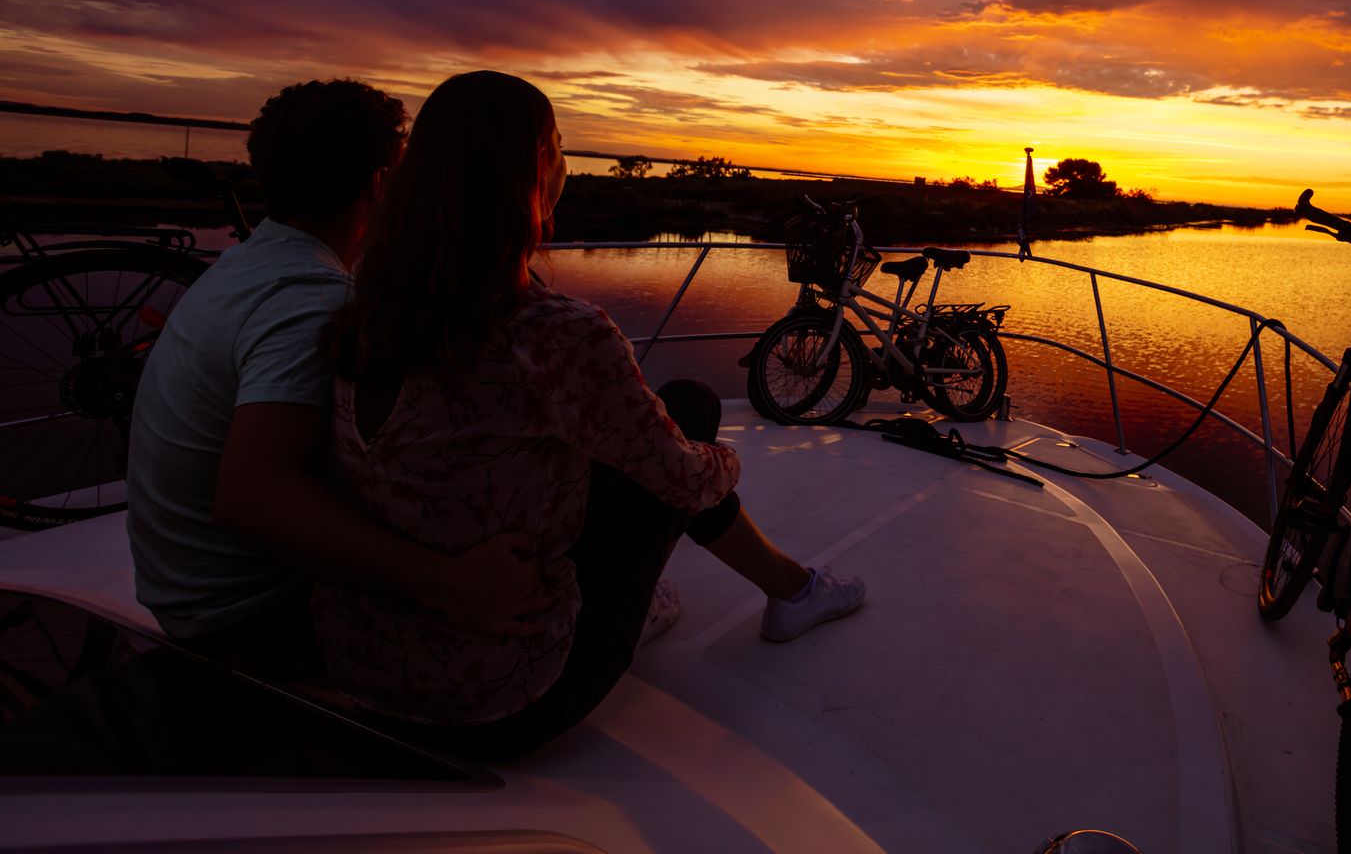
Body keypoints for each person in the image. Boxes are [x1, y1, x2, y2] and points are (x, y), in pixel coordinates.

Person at [315, 70, 863, 759]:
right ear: (538, 170)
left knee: (653, 420)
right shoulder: (554, 333)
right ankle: (795, 589)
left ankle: (773, 588)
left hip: (359, 668)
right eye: (561, 146)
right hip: (499, 701)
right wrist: (724, 460)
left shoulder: (362, 308)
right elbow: (686, 484)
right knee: (687, 418)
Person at [127, 80, 549, 674]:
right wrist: (448, 583)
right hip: (255, 620)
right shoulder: (309, 301)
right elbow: (252, 498)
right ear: (381, 184)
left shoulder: (250, 264)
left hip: (187, 595)